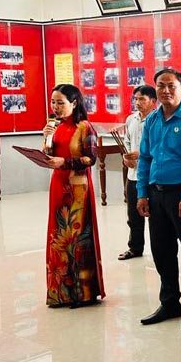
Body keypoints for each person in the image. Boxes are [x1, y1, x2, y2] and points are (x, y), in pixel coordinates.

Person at [136, 68, 181, 331]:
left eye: (171, 85)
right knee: (161, 250)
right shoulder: (153, 120)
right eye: (160, 86)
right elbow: (145, 158)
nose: (165, 90)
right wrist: (142, 193)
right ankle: (169, 303)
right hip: (156, 194)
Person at [42, 84, 105, 308]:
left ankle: (83, 293)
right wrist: (46, 140)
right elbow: (49, 155)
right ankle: (61, 293)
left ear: (74, 103)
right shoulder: (55, 127)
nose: (56, 107)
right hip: (58, 185)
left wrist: (66, 163)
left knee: (77, 238)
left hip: (78, 189)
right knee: (57, 236)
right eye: (53, 102)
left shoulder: (84, 127)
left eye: (61, 103)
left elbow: (91, 159)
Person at [120, 84, 157, 260]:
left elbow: (159, 148)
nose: (138, 102)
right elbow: (127, 141)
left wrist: (140, 155)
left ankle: (159, 250)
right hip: (133, 175)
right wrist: (126, 158)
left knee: (156, 216)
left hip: (152, 176)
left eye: (142, 99)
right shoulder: (131, 119)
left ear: (153, 102)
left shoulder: (157, 120)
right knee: (133, 215)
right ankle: (135, 248)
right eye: (135, 98)